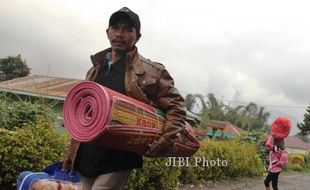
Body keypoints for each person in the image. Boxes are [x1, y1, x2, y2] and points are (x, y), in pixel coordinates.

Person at [61, 7, 187, 190]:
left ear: (138, 36)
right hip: (88, 155)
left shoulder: (152, 72)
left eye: (128, 29)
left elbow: (176, 106)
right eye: (115, 28)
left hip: (120, 157)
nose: (120, 34)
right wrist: (70, 153)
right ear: (107, 32)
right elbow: (83, 115)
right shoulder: (95, 69)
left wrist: (166, 140)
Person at [264, 117, 290, 190]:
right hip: (276, 168)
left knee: (270, 184)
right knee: (270, 184)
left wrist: (271, 136)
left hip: (275, 168)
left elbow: (268, 145)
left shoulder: (275, 145)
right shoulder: (281, 141)